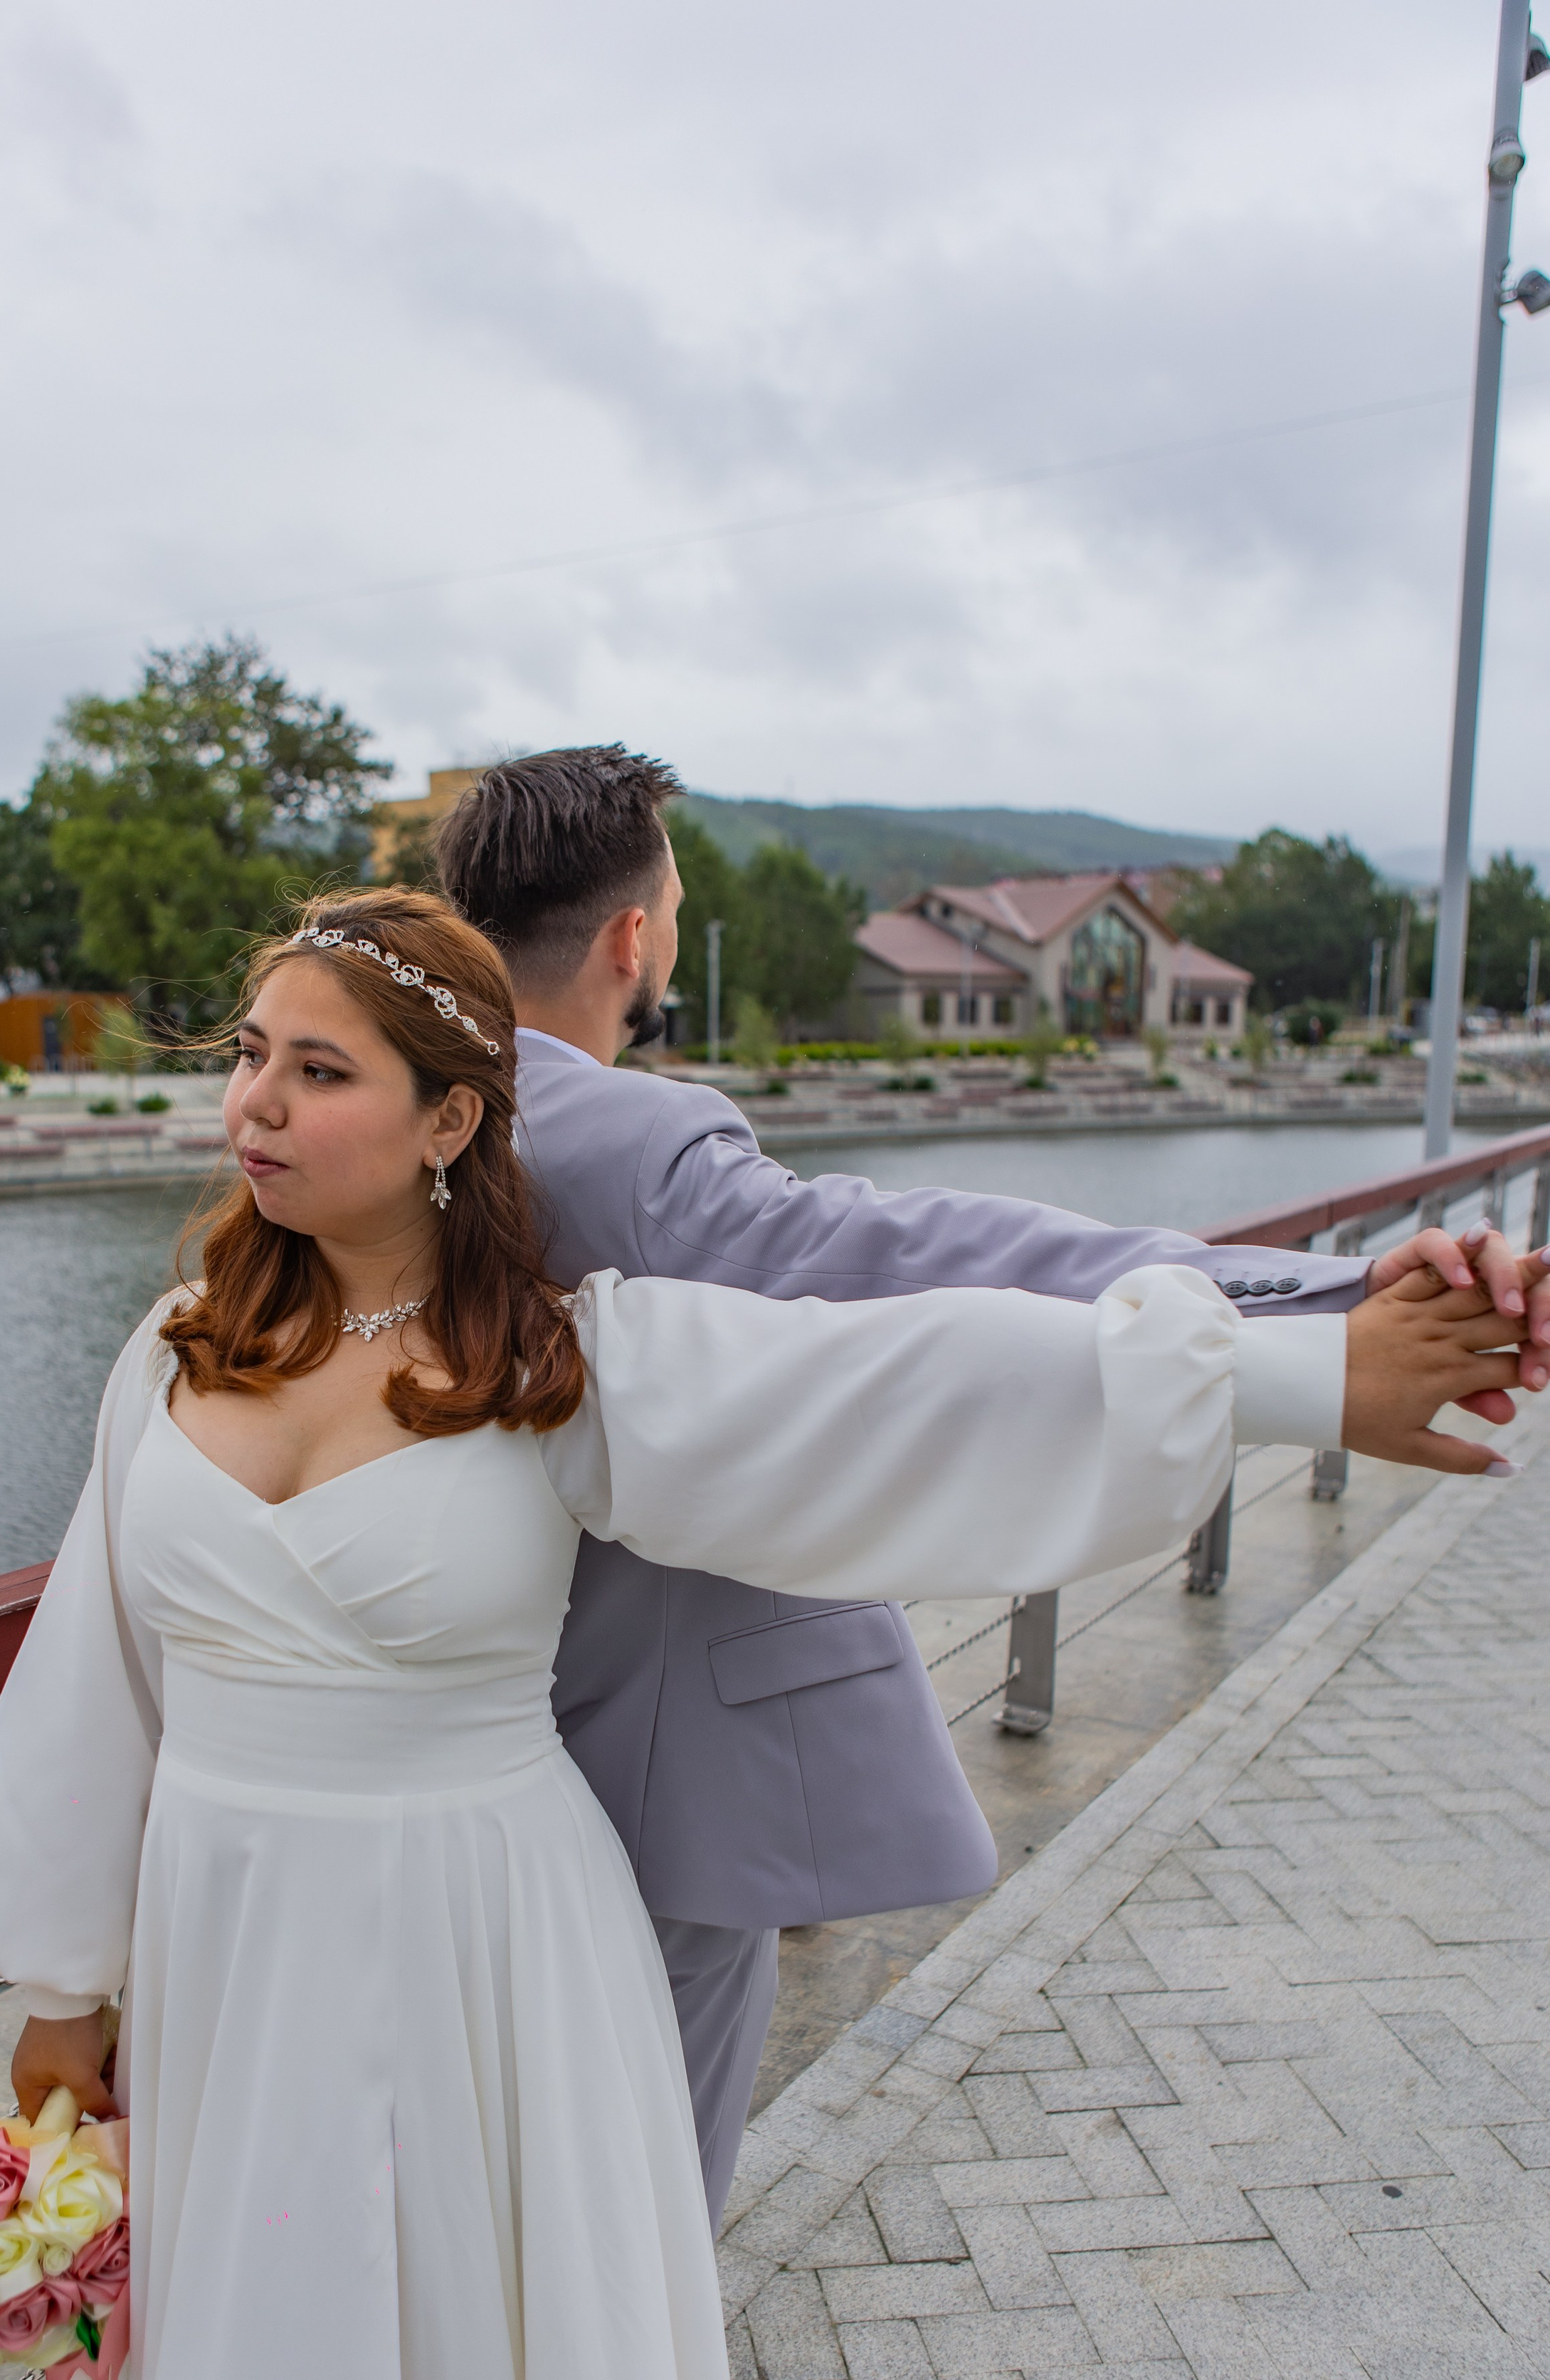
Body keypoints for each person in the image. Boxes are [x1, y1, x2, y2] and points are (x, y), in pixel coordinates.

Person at [0, 896, 1522, 2380]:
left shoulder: (565, 1363)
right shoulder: (167, 1355)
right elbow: (93, 1688)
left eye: (317, 1071)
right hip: (228, 1969)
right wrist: (67, 1989)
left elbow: (914, 1371)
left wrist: (1308, 1369)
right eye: (244, 1060)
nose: (255, 1108)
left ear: (450, 1120)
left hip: (492, 1971)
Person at [437, 746, 1549, 2231]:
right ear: (635, 937)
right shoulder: (614, 1132)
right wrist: (1319, 1303)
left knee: (502, 2183)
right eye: (680, 908)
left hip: (457, 1733)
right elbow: (910, 1263)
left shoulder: (385, 1111)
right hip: (646, 1748)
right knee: (644, 2197)